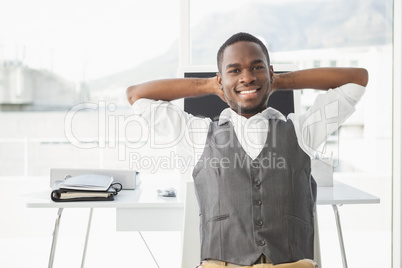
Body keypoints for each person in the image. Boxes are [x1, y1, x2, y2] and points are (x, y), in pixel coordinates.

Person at [126, 32, 368, 268]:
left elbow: (357, 79)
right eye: (234, 71)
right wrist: (208, 85)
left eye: (257, 68)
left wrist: (279, 81)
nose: (247, 77)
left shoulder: (301, 130)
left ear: (270, 72)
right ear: (221, 80)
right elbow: (136, 95)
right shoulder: (198, 134)